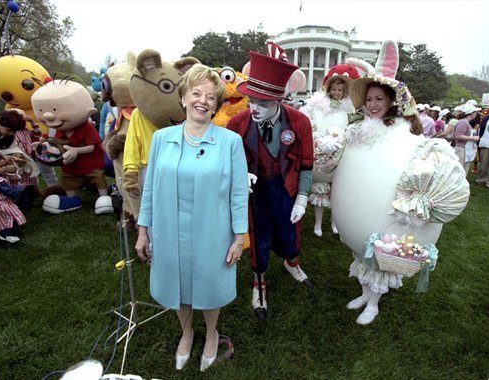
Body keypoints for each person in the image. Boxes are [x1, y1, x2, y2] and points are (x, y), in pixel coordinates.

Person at [329, 40, 469, 325]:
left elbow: (416, 168)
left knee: (380, 255)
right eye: (369, 99)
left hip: (391, 215)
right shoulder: (359, 131)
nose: (373, 104)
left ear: (392, 101)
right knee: (363, 252)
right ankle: (365, 293)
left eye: (379, 99)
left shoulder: (403, 135)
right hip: (360, 211)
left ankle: (374, 302)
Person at [135, 64, 248, 372]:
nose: (203, 101)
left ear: (217, 104)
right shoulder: (161, 139)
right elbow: (150, 190)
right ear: (183, 97)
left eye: (211, 97)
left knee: (210, 285)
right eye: (196, 93)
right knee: (178, 284)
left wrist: (239, 237)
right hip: (169, 230)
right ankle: (187, 331)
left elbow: (239, 193)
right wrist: (144, 231)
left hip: (213, 231)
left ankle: (211, 333)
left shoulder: (230, 142)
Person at [227, 49, 314, 320]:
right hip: (255, 193)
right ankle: (259, 283)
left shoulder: (299, 122)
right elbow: (227, 162)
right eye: (252, 100)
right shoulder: (236, 124)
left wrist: (302, 197)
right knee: (259, 237)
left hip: (286, 188)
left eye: (262, 103)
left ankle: (292, 262)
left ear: (278, 100)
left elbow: (307, 162)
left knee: (290, 234)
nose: (254, 108)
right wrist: (238, 177)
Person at [300, 75, 354, 237]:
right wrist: (319, 138)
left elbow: (352, 125)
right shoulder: (316, 105)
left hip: (342, 152)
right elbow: (307, 119)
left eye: (340, 90)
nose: (337, 92)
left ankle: (334, 222)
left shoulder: (349, 107)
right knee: (321, 188)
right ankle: (318, 223)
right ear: (329, 89)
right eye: (334, 89)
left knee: (337, 190)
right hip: (321, 150)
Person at [453, 103, 481, 174]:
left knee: (463, 170)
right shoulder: (463, 122)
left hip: (465, 149)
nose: (476, 114)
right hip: (461, 150)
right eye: (475, 112)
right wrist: (473, 138)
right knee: (459, 171)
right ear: (471, 113)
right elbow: (458, 136)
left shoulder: (466, 122)